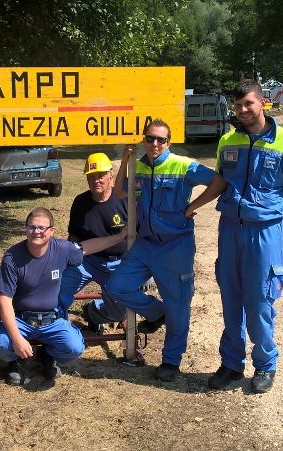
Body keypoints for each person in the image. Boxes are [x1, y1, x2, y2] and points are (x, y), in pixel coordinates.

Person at [186, 79, 283, 393]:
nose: (242, 110)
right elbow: (221, 180)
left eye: (248, 103)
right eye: (238, 105)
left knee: (259, 301)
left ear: (262, 103)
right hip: (230, 229)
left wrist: (273, 221)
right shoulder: (227, 141)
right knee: (230, 298)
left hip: (264, 233)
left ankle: (265, 364)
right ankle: (231, 364)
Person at [105, 118, 221, 382]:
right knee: (116, 287)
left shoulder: (182, 165)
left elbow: (218, 182)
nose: (154, 143)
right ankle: (158, 312)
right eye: (150, 138)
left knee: (178, 304)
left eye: (160, 139)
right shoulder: (138, 166)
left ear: (168, 142)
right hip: (145, 244)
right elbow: (120, 192)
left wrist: (193, 207)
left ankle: (171, 361)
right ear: (144, 140)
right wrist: (126, 159)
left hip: (175, 246)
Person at [0, 207, 127, 386]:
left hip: (52, 320)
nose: (36, 232)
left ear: (52, 231)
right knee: (2, 344)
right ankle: (15, 361)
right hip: (21, 320)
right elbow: (4, 300)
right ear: (26, 229)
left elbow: (87, 248)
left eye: (42, 228)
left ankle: (48, 355)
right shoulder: (12, 257)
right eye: (31, 227)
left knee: (75, 348)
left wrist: (120, 237)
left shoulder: (62, 249)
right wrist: (16, 339)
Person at [57, 152, 135, 333]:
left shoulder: (125, 199)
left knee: (118, 313)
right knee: (59, 291)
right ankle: (59, 333)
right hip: (86, 261)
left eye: (100, 175)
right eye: (91, 176)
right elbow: (74, 235)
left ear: (110, 176)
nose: (96, 180)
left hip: (119, 263)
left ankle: (93, 311)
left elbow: (141, 235)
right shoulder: (80, 202)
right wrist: (66, 261)